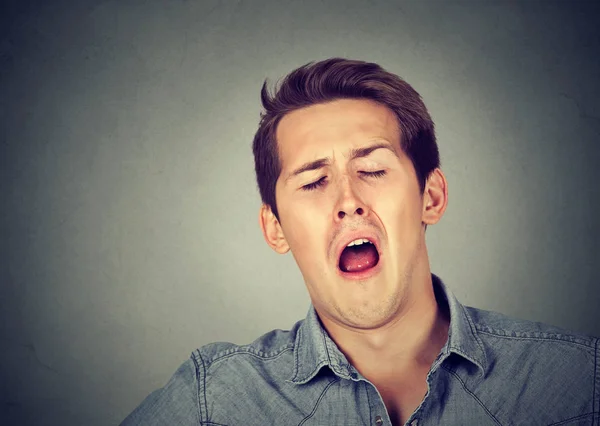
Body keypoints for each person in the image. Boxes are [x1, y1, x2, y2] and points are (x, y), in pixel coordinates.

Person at [121, 58, 598, 426]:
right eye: (312, 182)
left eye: (372, 169)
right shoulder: (215, 399)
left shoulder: (580, 383)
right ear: (276, 229)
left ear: (430, 196)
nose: (348, 201)